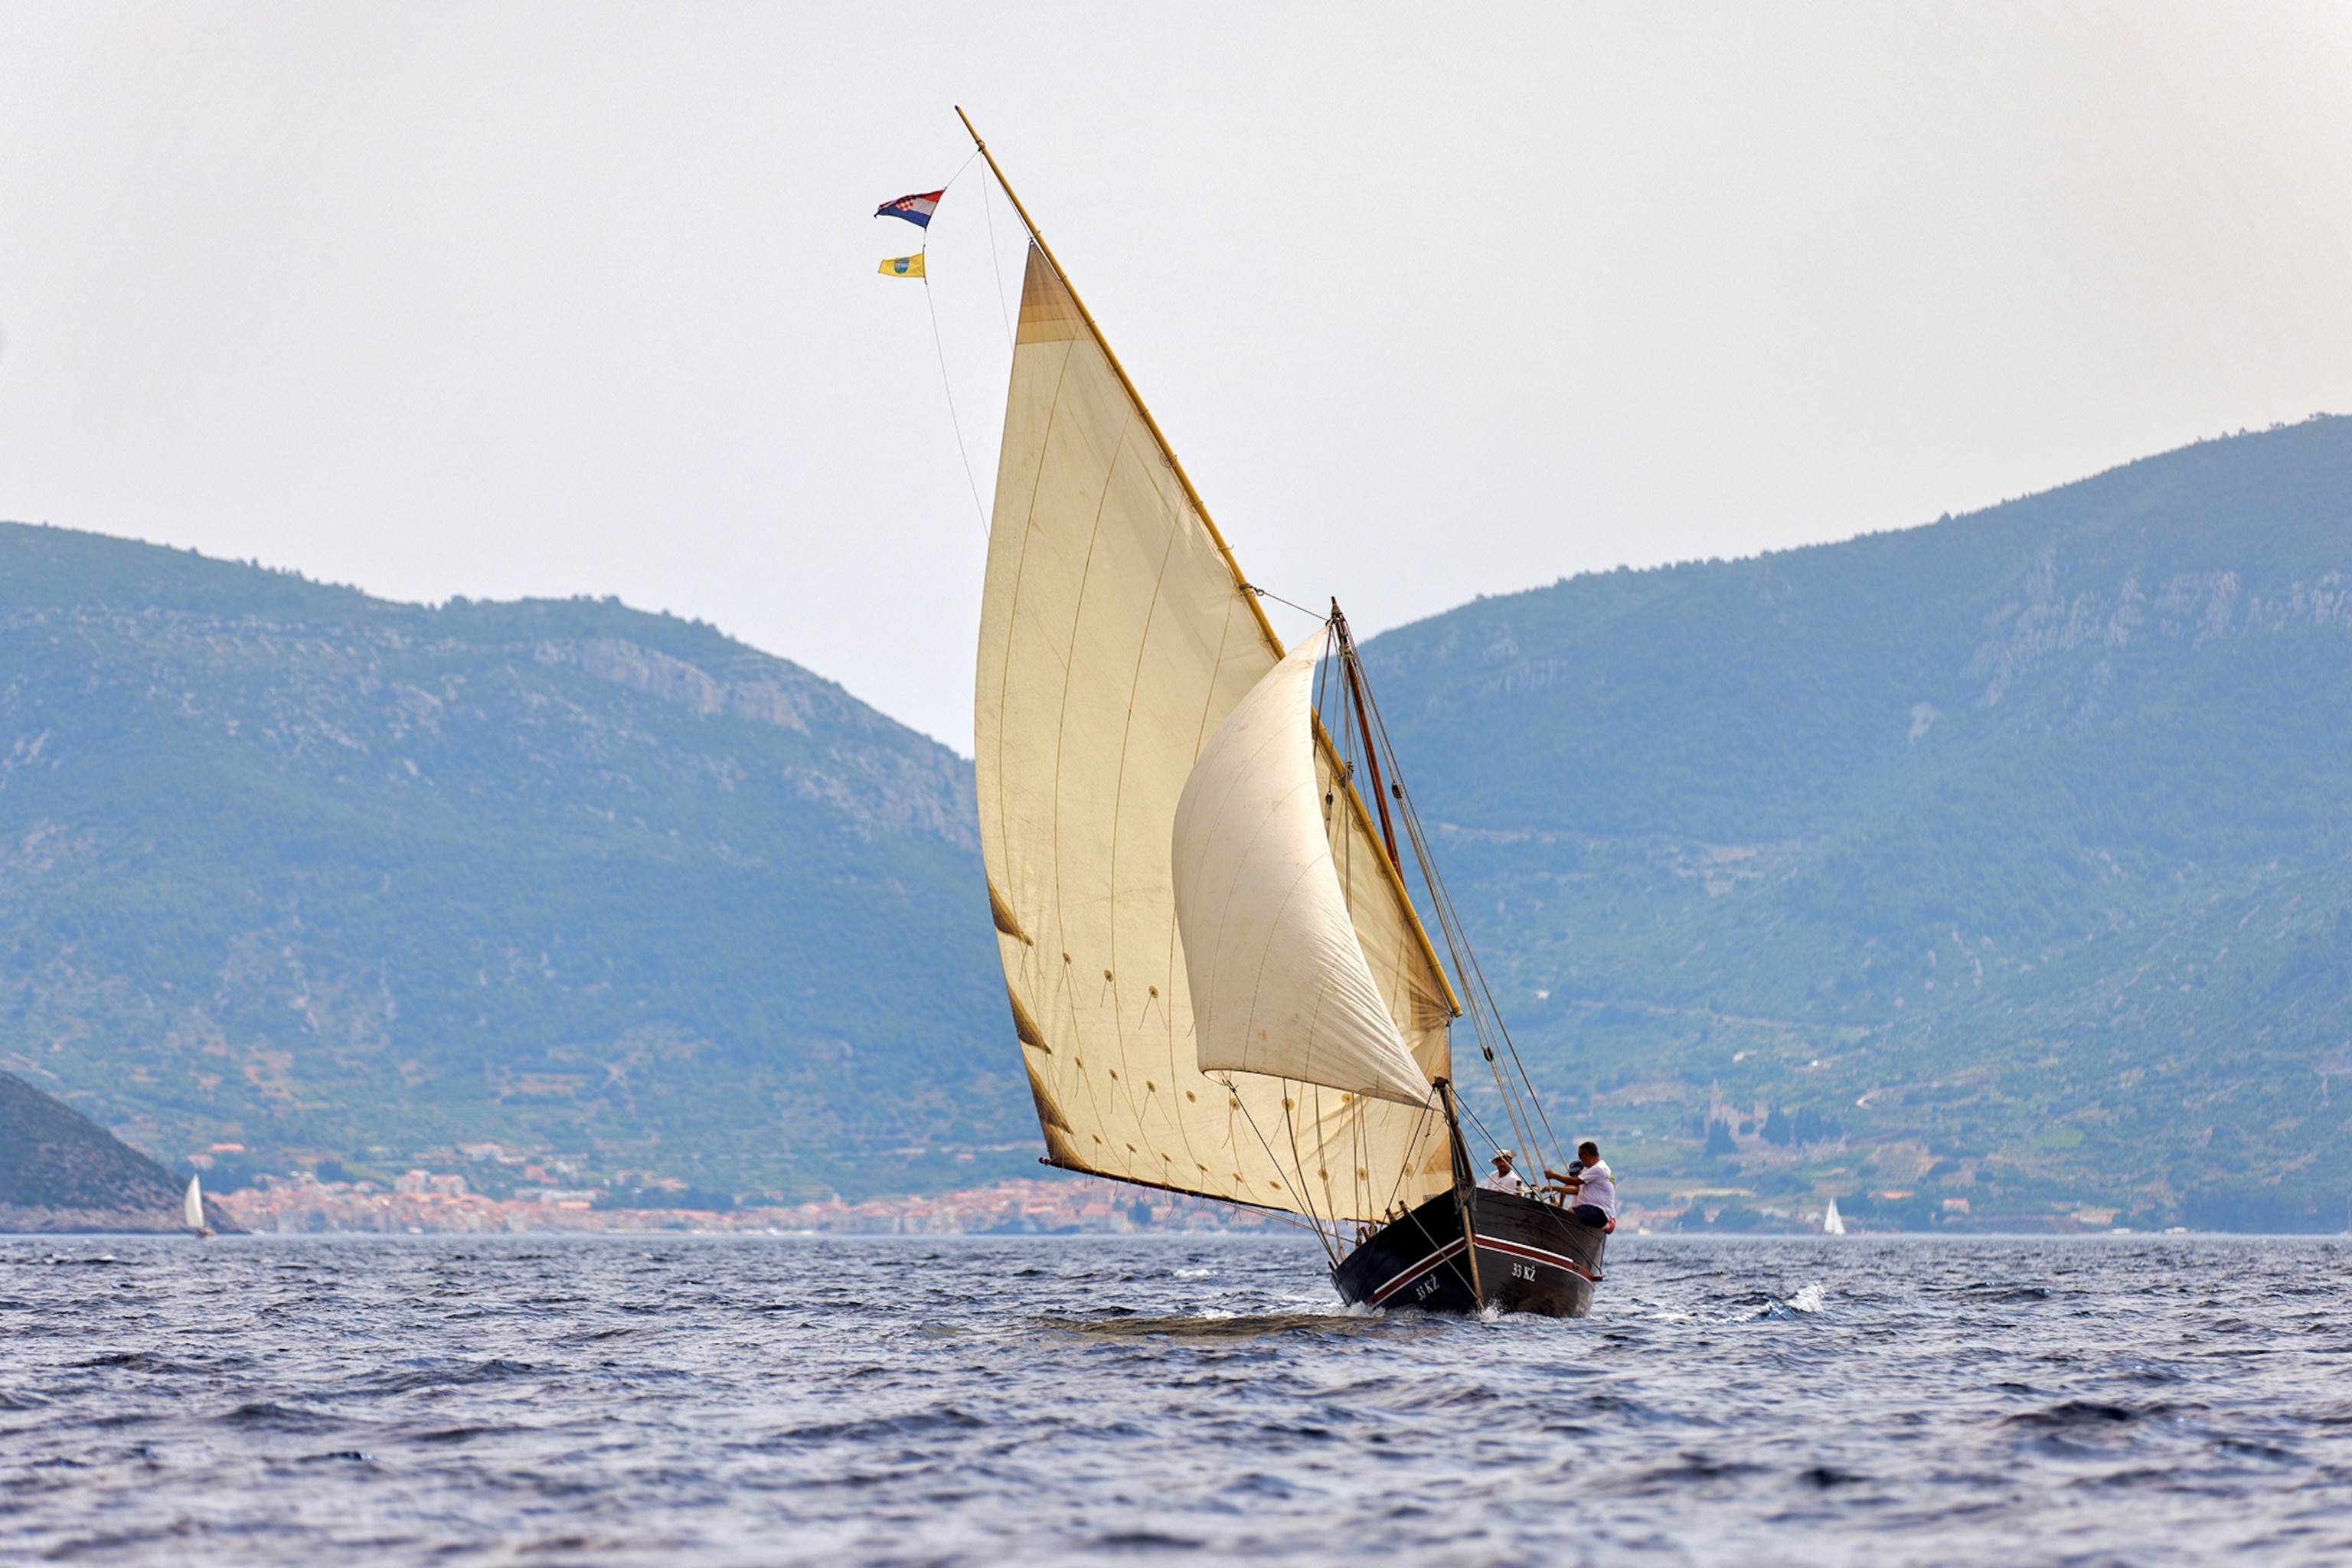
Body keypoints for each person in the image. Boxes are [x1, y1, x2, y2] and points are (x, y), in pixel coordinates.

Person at [1545, 1142, 1617, 1230]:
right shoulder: (1588, 1168)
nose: (1580, 1160)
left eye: (1580, 1157)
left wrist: (1554, 1176)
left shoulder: (1599, 1169)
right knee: (1572, 1211)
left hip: (1600, 1212)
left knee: (1571, 1212)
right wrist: (1555, 1188)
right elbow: (1577, 1190)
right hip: (1590, 1210)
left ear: (1587, 1155)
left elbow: (1576, 1181)